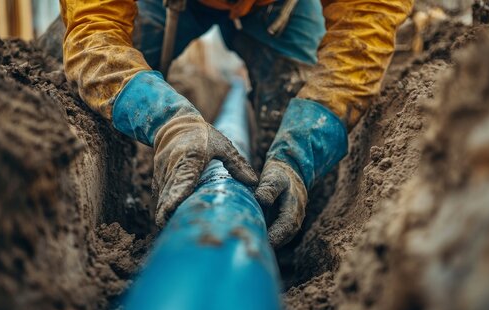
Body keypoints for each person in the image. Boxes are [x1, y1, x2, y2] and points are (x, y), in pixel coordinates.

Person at [59, 0, 413, 247]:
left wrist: (300, 154)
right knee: (63, 84)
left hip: (277, 8)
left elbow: (363, 33)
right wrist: (169, 122)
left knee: (294, 120)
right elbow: (94, 31)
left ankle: (288, 251)